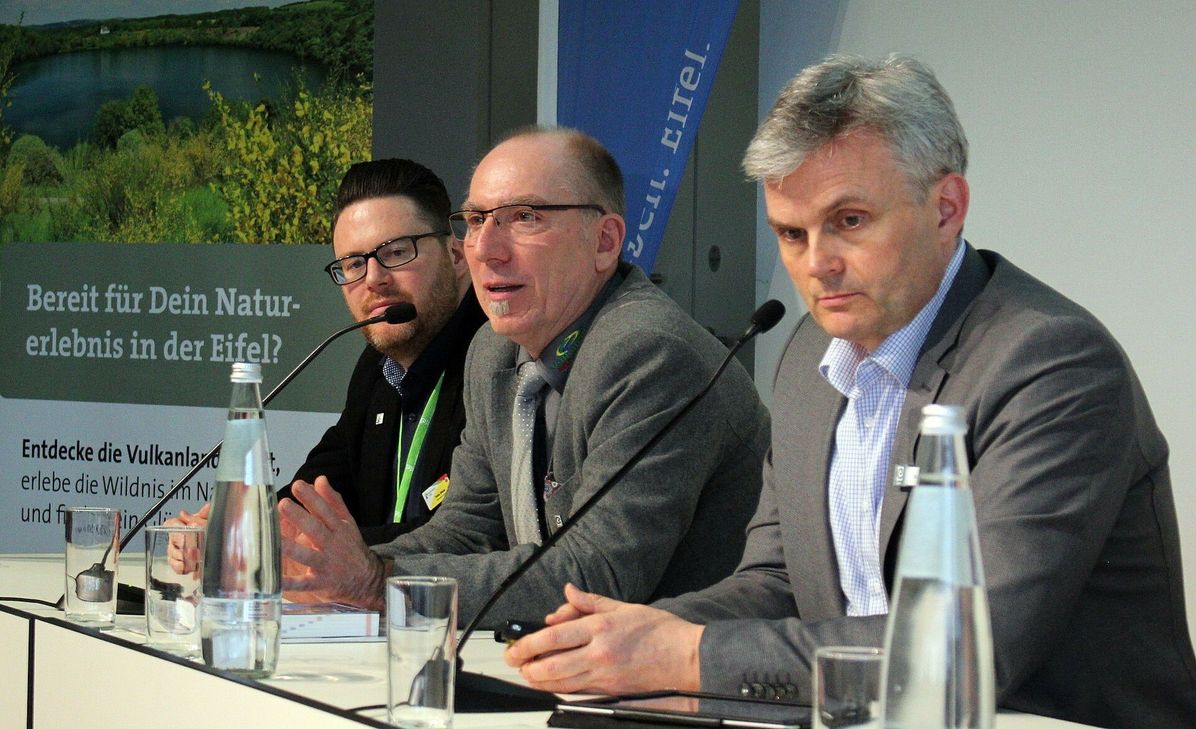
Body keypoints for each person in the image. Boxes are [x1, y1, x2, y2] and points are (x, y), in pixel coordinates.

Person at [504, 56, 1196, 728]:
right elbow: (778, 583)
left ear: (946, 207)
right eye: (791, 233)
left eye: (850, 221)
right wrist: (639, 630)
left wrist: (686, 653)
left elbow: (963, 652)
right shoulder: (811, 353)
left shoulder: (1051, 364)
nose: (816, 264)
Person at [276, 127, 771, 627]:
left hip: (691, 682)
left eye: (524, 217)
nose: (486, 248)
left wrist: (378, 584)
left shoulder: (649, 353)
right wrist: (326, 566)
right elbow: (467, 533)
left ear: (604, 242)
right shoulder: (493, 352)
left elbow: (596, 573)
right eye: (474, 220)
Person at [175, 159, 486, 545]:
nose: (374, 279)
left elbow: (468, 537)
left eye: (396, 253)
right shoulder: (377, 370)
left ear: (456, 257)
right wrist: (242, 534)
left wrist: (330, 558)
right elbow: (323, 484)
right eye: (353, 264)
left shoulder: (495, 365)